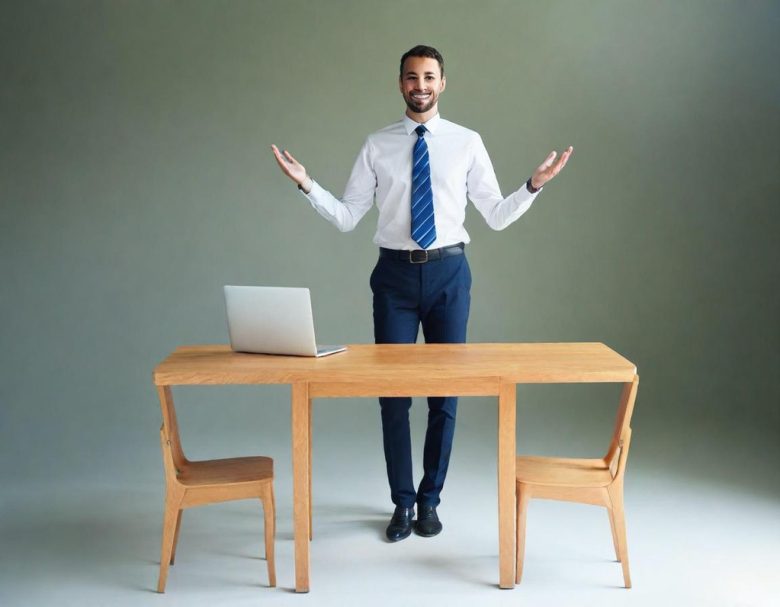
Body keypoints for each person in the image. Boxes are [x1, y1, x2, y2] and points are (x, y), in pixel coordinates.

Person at [272, 44, 572, 542]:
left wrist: (533, 185)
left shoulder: (467, 143)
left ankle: (430, 501)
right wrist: (307, 185)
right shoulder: (378, 144)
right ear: (400, 84)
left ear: (443, 83)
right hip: (393, 280)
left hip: (449, 275)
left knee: (444, 396)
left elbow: (495, 214)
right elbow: (348, 217)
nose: (421, 86)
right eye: (412, 77)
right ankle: (402, 504)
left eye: (429, 76)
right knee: (392, 399)